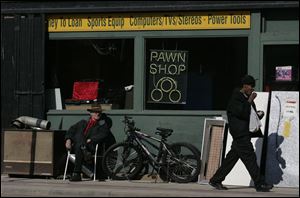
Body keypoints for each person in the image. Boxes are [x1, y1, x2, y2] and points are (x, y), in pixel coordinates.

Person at [209, 75, 273, 192]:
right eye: (250, 87)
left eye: (253, 87)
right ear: (245, 86)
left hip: (243, 133)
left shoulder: (245, 97)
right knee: (250, 158)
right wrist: (250, 100)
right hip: (240, 133)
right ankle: (259, 184)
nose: (252, 89)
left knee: (231, 159)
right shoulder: (236, 97)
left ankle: (215, 180)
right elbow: (242, 113)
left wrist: (258, 115)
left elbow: (249, 114)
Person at [65, 103, 116, 181]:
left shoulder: (103, 123)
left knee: (79, 146)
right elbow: (71, 130)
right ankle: (83, 150)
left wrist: (91, 139)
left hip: (92, 146)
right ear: (91, 113)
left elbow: (103, 134)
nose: (97, 114)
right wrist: (68, 139)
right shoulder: (83, 122)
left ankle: (76, 173)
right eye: (95, 112)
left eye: (99, 112)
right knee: (78, 138)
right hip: (80, 146)